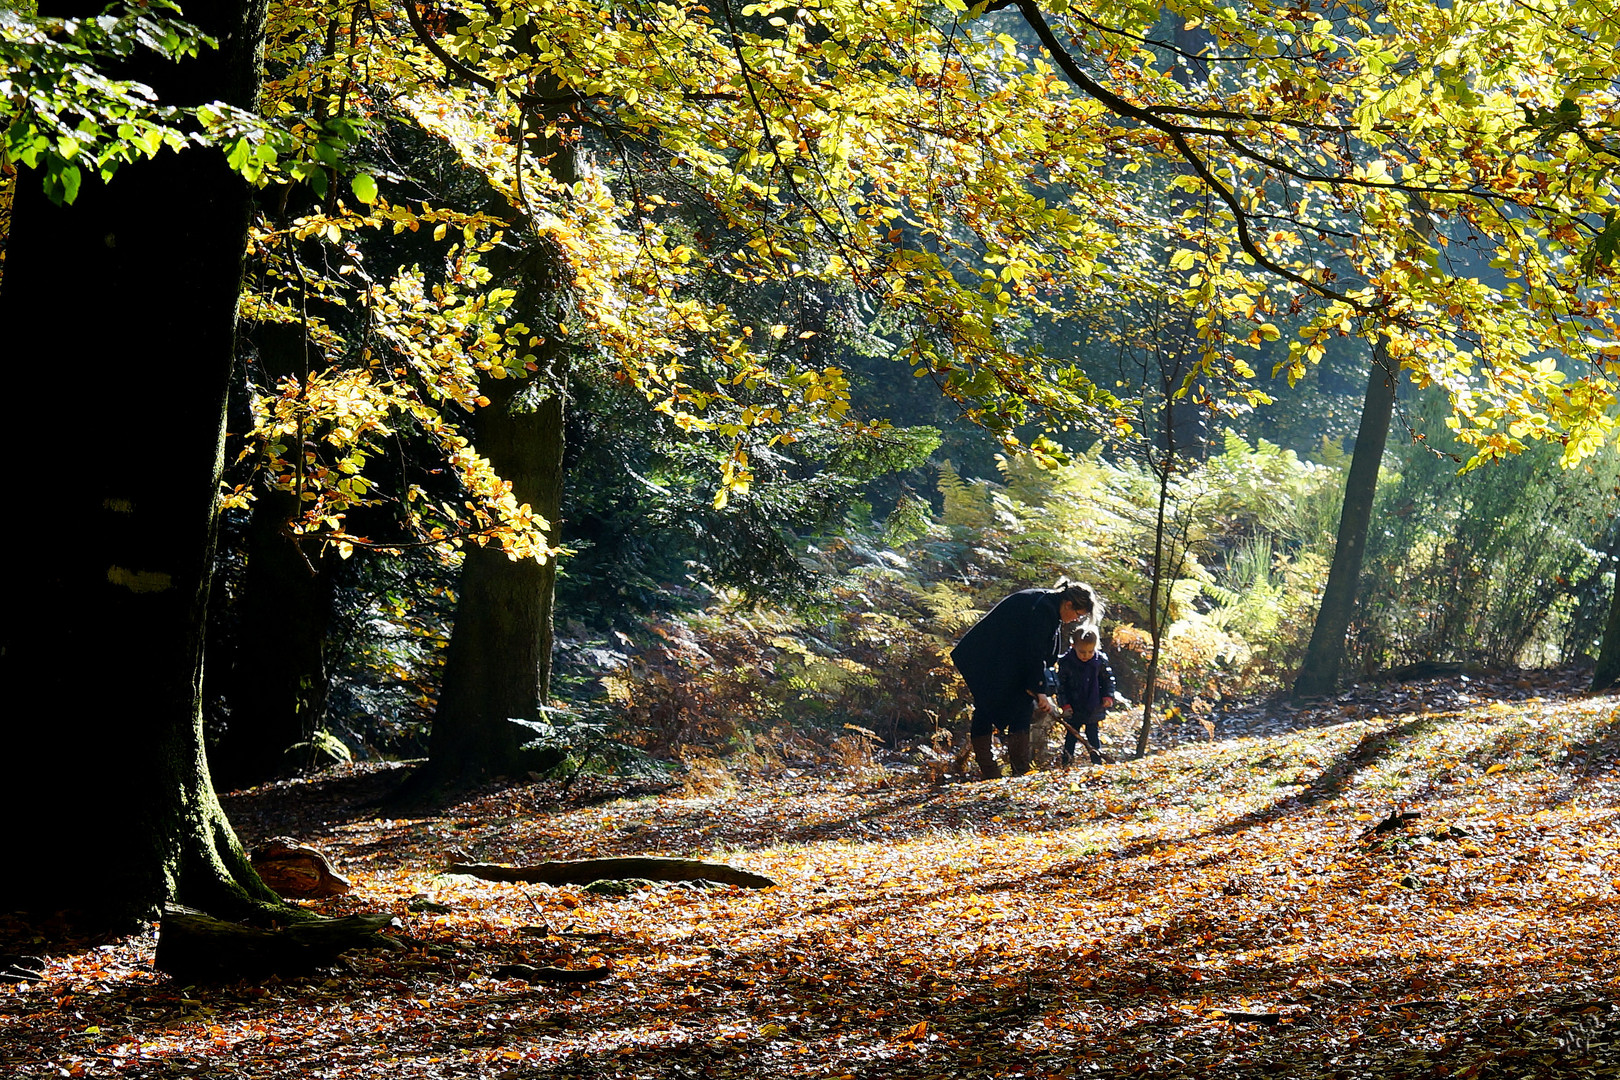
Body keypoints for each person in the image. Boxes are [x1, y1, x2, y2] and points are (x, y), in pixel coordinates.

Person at [950, 579, 1103, 779]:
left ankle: (1019, 769)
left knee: (1021, 705)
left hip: (1006, 659)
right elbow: (1034, 653)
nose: (1076, 620)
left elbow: (1038, 654)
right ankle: (989, 770)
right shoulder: (1043, 609)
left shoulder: (1049, 606)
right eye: (1077, 614)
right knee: (987, 705)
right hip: (985, 657)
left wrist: (1038, 687)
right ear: (1068, 604)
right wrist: (1040, 691)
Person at [1056, 627, 1115, 766]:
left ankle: (1097, 762)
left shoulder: (1099, 661)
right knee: (1071, 736)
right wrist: (1064, 705)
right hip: (1074, 707)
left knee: (1093, 736)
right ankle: (1067, 762)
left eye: (1090, 651)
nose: (1086, 655)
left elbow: (1108, 680)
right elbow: (1061, 686)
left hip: (1093, 706)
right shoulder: (1067, 662)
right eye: (1082, 652)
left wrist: (1108, 696)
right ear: (1073, 646)